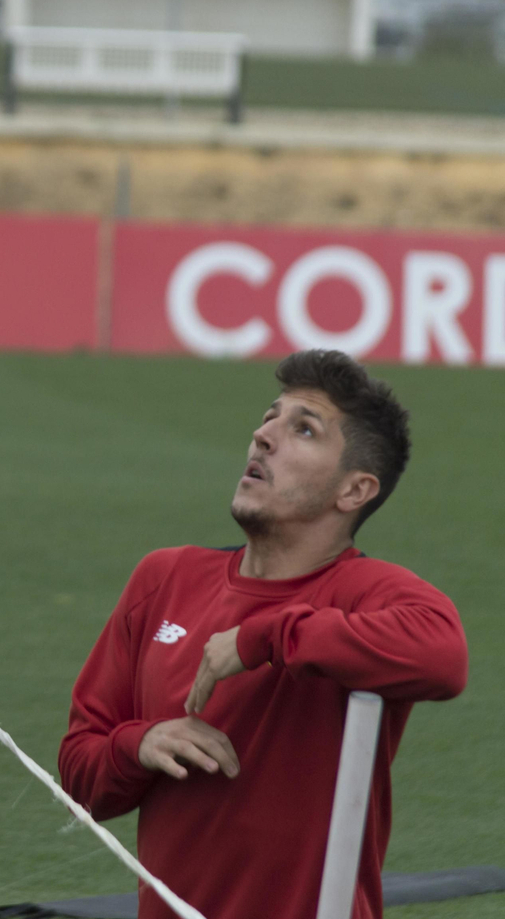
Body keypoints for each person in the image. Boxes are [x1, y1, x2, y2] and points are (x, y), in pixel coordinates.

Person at [58, 349, 467, 919]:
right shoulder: (165, 579)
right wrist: (141, 744)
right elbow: (80, 775)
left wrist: (265, 637)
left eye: (304, 429)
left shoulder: (367, 592)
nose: (263, 436)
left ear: (354, 491)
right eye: (270, 417)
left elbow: (445, 656)